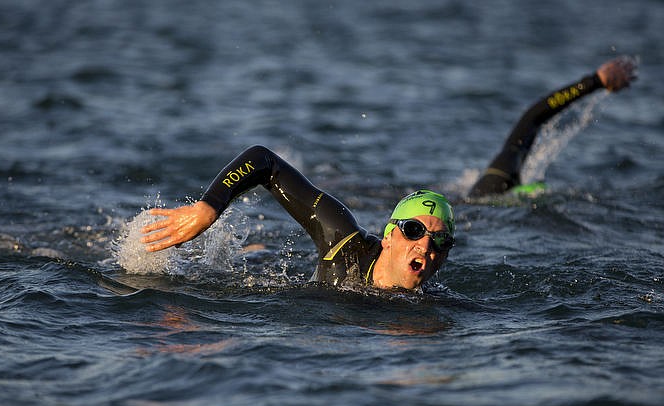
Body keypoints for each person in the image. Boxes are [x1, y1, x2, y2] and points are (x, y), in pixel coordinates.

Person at [140, 56, 637, 291]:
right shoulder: (342, 239)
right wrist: (208, 208)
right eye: (416, 232)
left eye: (439, 243)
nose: (425, 247)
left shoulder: (440, 305)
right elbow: (263, 160)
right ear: (390, 234)